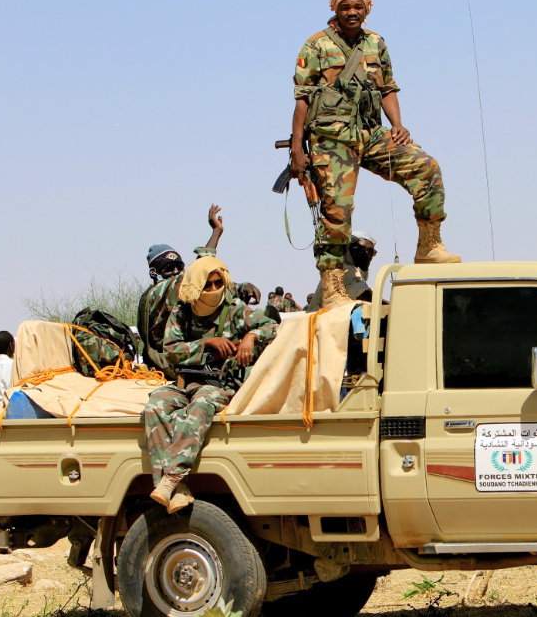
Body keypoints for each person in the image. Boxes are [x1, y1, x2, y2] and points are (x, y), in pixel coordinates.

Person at [291, 0, 460, 309]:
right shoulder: (316, 46)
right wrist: (299, 150)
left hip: (370, 133)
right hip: (331, 138)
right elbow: (301, 100)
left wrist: (398, 125)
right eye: (345, 7)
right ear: (335, 11)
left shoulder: (376, 44)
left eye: (357, 7)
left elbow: (387, 89)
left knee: (426, 167)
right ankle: (333, 284)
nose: (352, 12)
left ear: (366, 10)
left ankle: (429, 246)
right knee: (337, 211)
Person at [142, 256, 278, 513]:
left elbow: (271, 326)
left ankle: (171, 478)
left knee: (201, 405)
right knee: (155, 406)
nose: (214, 290)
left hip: (220, 382)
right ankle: (178, 489)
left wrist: (250, 336)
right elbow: (170, 350)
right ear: (195, 287)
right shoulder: (181, 313)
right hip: (185, 381)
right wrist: (206, 343)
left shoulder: (235, 309)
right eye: (208, 285)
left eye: (218, 283)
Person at [138, 205, 260, 378]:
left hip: (188, 358)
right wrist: (216, 233)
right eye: (168, 268)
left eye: (179, 266)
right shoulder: (157, 292)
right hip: (168, 362)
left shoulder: (180, 293)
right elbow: (197, 274)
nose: (175, 272)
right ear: (155, 274)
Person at [308, 230, 379, 309]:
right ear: (348, 251)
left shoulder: (354, 272)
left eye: (370, 251)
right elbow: (366, 296)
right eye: (361, 250)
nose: (367, 255)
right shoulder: (346, 271)